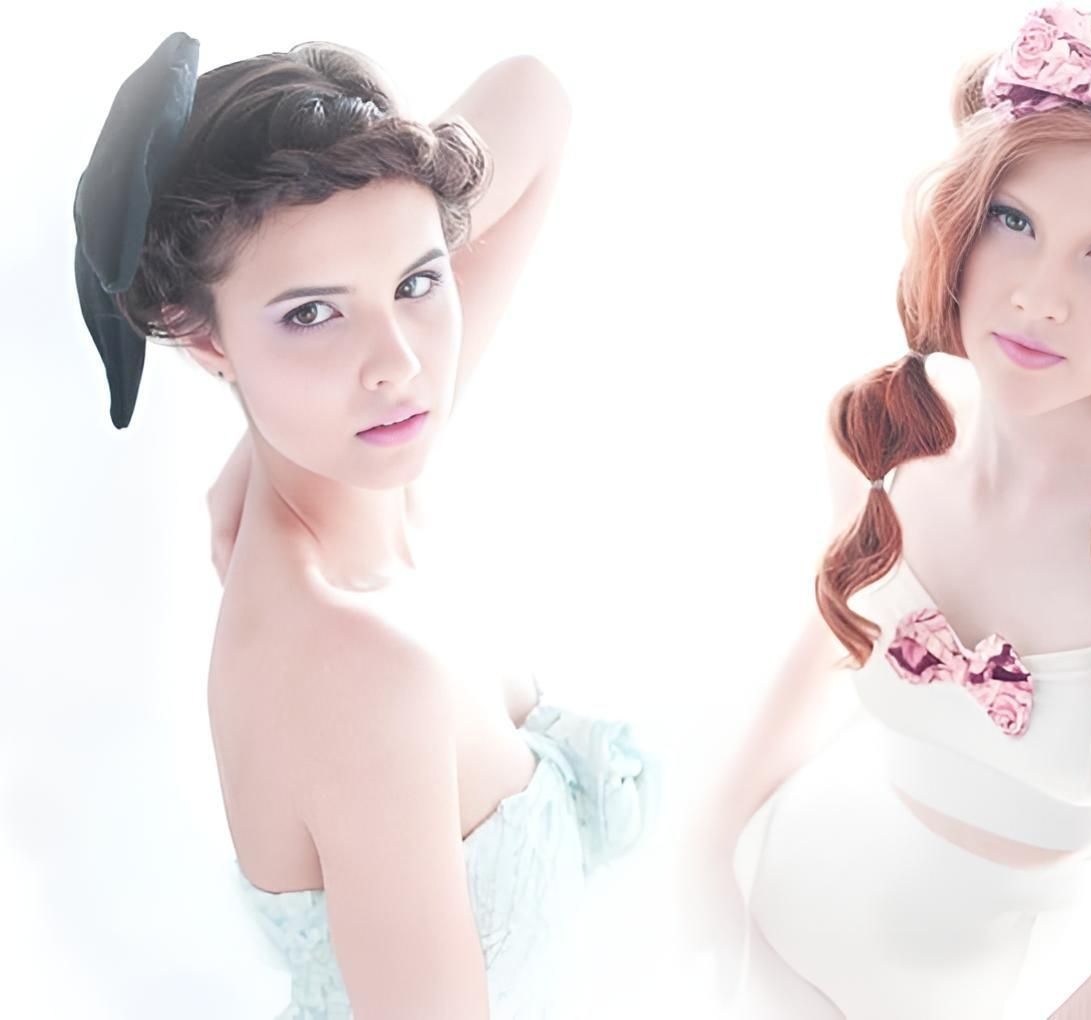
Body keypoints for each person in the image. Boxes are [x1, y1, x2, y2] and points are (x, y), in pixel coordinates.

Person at [683, 7, 1091, 1018]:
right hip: (777, 923)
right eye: (1014, 223)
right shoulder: (881, 439)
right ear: (961, 232)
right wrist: (706, 865)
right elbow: (818, 660)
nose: (1038, 297)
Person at [73, 32, 658, 1018]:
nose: (400, 362)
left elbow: (538, 95)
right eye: (311, 314)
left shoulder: (366, 459)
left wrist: (259, 431)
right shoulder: (355, 678)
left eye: (417, 282)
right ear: (202, 336)